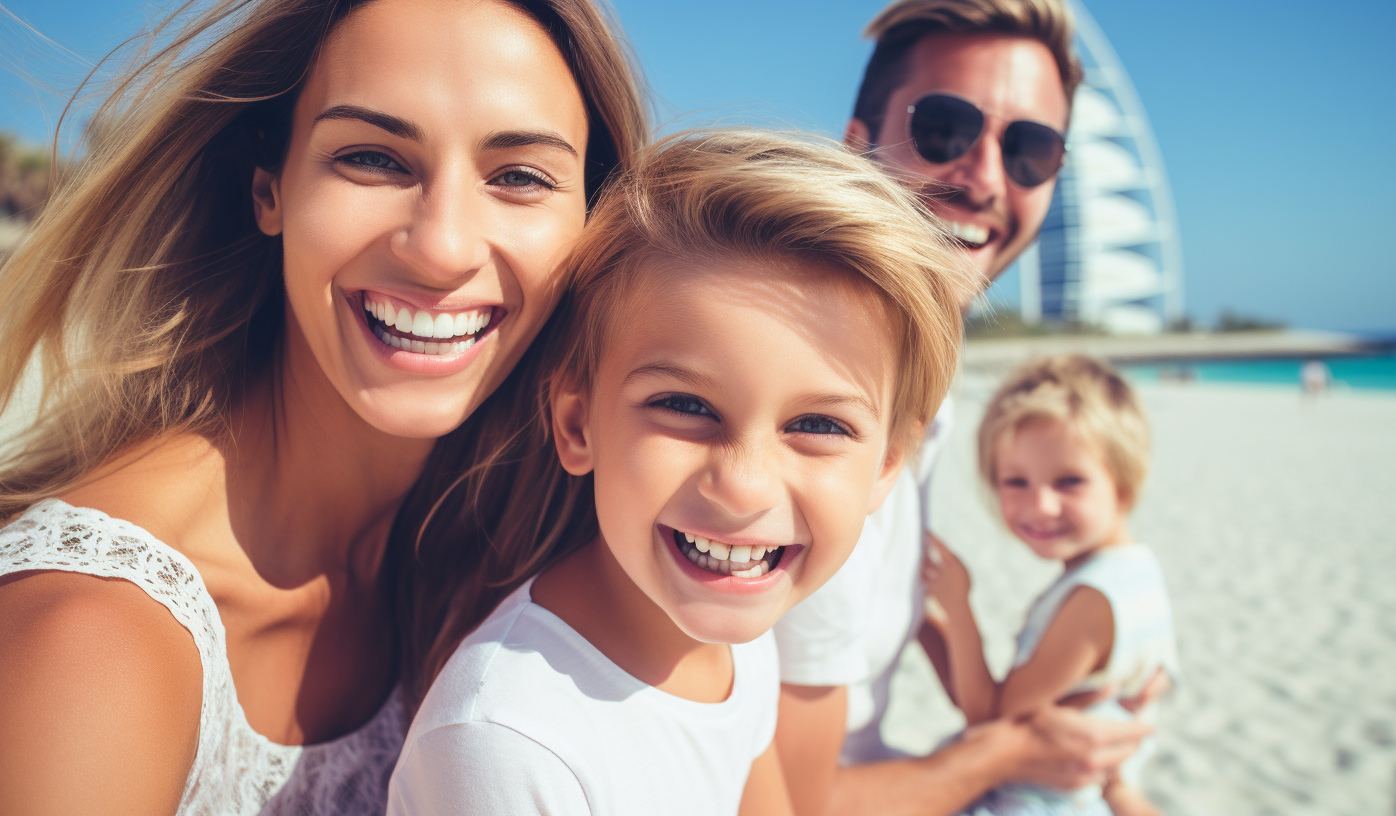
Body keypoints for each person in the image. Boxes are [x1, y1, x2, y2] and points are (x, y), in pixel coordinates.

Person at [0, 0, 646, 813]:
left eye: (518, 176)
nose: (442, 247)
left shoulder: (510, 560)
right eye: (374, 158)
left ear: (592, 222)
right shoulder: (92, 643)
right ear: (269, 190)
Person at [385, 130, 971, 815]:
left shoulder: (740, 634)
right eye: (685, 406)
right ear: (578, 425)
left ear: (886, 468)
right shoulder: (506, 743)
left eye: (818, 425)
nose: (745, 487)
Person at [772, 3, 1163, 815]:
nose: (985, 177)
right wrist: (1017, 749)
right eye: (944, 127)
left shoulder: (924, 397)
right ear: (854, 145)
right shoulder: (814, 410)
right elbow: (783, 803)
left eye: (1030, 149)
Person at [923, 355, 1179, 815]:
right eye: (1015, 481)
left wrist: (957, 609)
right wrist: (922, 623)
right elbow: (987, 700)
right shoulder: (1136, 570)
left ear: (1125, 482)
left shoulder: (1093, 602)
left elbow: (989, 718)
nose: (1040, 504)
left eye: (1069, 481)